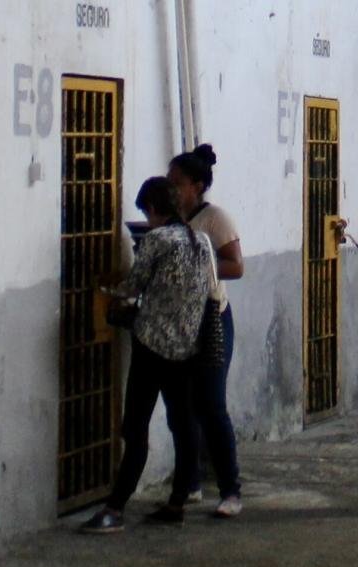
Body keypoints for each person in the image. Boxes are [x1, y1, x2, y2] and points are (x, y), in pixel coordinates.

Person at [81, 177, 213, 534]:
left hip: (152, 346)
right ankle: (176, 503)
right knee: (184, 426)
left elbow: (132, 287)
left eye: (146, 211)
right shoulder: (201, 240)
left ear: (153, 208)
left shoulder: (155, 240)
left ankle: (115, 508)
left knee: (134, 427)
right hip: (188, 349)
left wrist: (104, 290)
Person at [169, 144, 245, 519]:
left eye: (178, 183)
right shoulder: (168, 220)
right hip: (178, 321)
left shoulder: (214, 219)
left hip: (211, 318)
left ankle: (230, 489)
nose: (173, 189)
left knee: (212, 404)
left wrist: (200, 266)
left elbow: (236, 266)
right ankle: (190, 481)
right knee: (183, 406)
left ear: (196, 186)